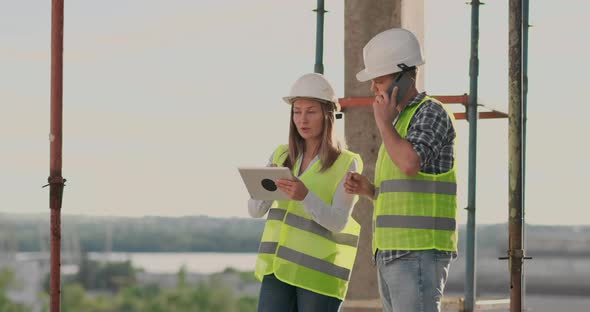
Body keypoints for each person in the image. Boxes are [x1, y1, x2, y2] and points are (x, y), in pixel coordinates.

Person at [344, 28, 458, 312]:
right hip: (393, 252)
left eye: (379, 81)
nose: (374, 89)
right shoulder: (401, 122)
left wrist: (382, 124)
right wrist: (370, 190)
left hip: (418, 252)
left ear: (406, 76)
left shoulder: (431, 113)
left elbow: (409, 163)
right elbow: (406, 188)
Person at [248, 73, 363, 312]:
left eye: (310, 111)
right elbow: (255, 211)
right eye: (297, 111)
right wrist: (265, 185)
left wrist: (305, 196)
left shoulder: (346, 163)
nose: (302, 119)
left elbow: (339, 222)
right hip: (278, 269)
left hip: (318, 275)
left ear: (328, 115)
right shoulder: (280, 156)